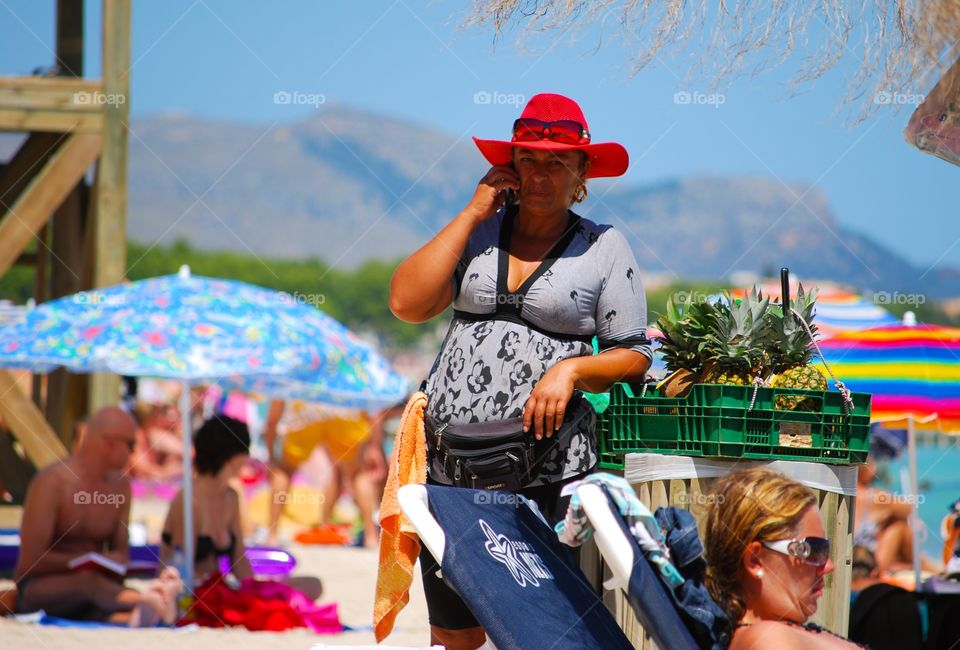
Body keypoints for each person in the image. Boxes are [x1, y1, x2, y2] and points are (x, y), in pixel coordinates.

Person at [389, 93, 652, 649]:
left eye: (557, 161)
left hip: (549, 471)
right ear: (509, 165)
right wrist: (472, 211)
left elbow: (634, 355)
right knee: (453, 634)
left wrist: (572, 371)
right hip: (452, 465)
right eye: (529, 158)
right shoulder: (478, 235)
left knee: (543, 626)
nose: (540, 173)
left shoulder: (603, 246)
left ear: (583, 171)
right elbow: (406, 304)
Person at [15, 406, 180, 625]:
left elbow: (121, 551)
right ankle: (146, 600)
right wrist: (80, 563)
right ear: (109, 443)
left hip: (96, 591)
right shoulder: (53, 483)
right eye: (131, 444)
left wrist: (113, 561)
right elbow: (30, 562)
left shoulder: (120, 487)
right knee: (87, 583)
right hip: (42, 587)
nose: (134, 452)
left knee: (107, 607)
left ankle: (140, 613)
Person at [161, 414, 321, 599]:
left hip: (223, 587)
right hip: (192, 593)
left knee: (313, 584)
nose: (247, 459)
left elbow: (239, 561)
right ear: (231, 458)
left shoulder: (231, 497)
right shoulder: (190, 500)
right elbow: (178, 565)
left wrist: (253, 589)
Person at [704, 467, 864, 649]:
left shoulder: (778, 633)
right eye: (813, 551)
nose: (828, 566)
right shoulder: (768, 639)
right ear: (755, 560)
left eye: (825, 550)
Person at [263, 400, 385, 547]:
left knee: (284, 470)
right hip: (342, 407)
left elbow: (275, 411)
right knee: (357, 473)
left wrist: (270, 454)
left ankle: (272, 535)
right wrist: (375, 445)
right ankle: (370, 536)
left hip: (306, 407)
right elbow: (370, 402)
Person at [854, 454, 937, 574]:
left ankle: (919, 566)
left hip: (849, 557)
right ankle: (925, 567)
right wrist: (887, 515)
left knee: (889, 522)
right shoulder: (875, 495)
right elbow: (908, 509)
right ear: (868, 470)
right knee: (898, 525)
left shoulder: (844, 492)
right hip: (866, 563)